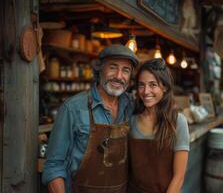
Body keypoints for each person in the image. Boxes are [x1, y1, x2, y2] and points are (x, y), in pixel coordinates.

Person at [42, 44, 139, 193]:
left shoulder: (132, 107)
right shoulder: (73, 108)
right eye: (113, 67)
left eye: (125, 70)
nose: (119, 76)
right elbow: (54, 166)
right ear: (100, 69)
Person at [128, 58, 190, 193]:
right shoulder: (131, 120)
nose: (145, 91)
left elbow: (178, 177)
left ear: (165, 87)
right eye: (141, 85)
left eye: (152, 85)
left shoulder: (178, 122)